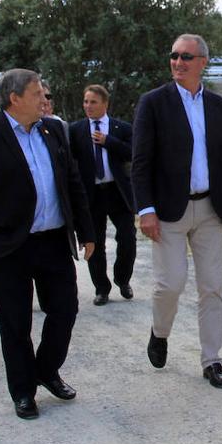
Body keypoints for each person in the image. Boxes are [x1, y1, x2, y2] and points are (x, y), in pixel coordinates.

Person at [0, 69, 96, 420]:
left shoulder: (53, 130)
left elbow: (72, 183)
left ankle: (46, 369)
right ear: (15, 98)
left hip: (52, 240)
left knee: (65, 310)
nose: (44, 98)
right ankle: (23, 391)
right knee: (15, 323)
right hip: (8, 247)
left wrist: (87, 231)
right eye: (37, 93)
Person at [132, 34, 222, 389]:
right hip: (168, 212)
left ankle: (212, 360)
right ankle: (159, 332)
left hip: (211, 210)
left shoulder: (220, 107)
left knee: (212, 287)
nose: (178, 62)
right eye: (174, 56)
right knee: (171, 284)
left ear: (202, 62)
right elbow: (141, 162)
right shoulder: (153, 104)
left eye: (186, 57)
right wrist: (145, 209)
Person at [68, 84, 136, 306]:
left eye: (93, 102)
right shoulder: (76, 130)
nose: (88, 106)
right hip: (92, 194)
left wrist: (109, 142)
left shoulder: (121, 128)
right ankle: (101, 288)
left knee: (127, 237)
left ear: (105, 104)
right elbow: (71, 162)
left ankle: (122, 278)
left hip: (117, 192)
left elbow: (134, 153)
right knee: (94, 242)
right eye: (86, 102)